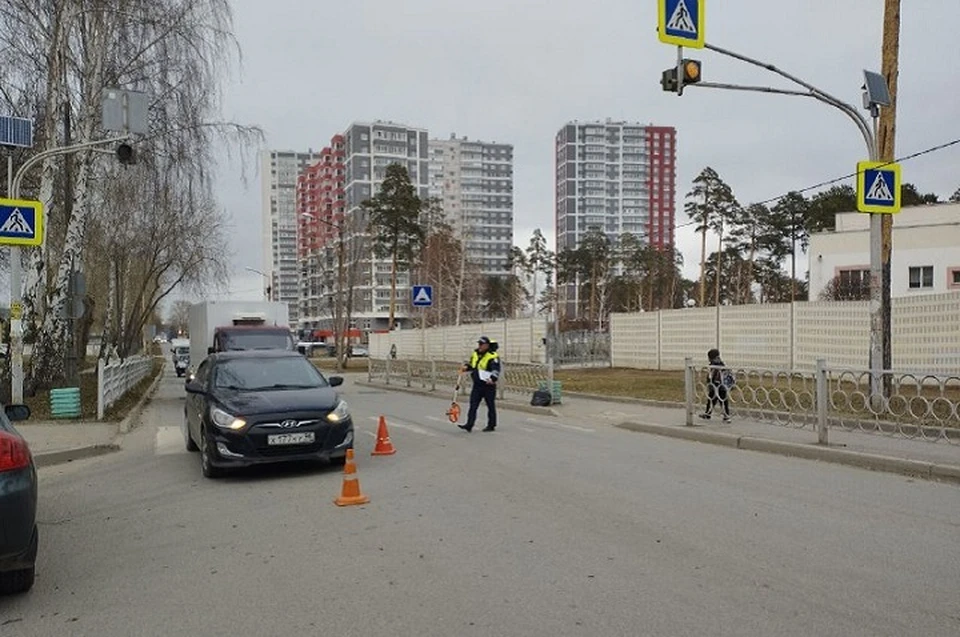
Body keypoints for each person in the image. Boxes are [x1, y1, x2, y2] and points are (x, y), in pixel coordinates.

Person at [459, 336, 501, 432]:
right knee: (473, 405)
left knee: (490, 405)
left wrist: (493, 379)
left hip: (488, 385)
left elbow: (496, 369)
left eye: (482, 344)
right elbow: (473, 365)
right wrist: (466, 367)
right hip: (477, 385)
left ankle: (491, 425)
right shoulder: (475, 354)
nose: (480, 346)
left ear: (487, 345)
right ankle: (469, 424)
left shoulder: (492, 356)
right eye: (479, 344)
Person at [700, 348, 731, 422]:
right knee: (722, 401)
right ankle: (726, 415)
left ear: (710, 357)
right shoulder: (721, 363)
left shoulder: (714, 365)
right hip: (722, 386)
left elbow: (712, 375)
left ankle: (708, 414)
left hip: (716, 385)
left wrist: (710, 382)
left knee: (712, 400)